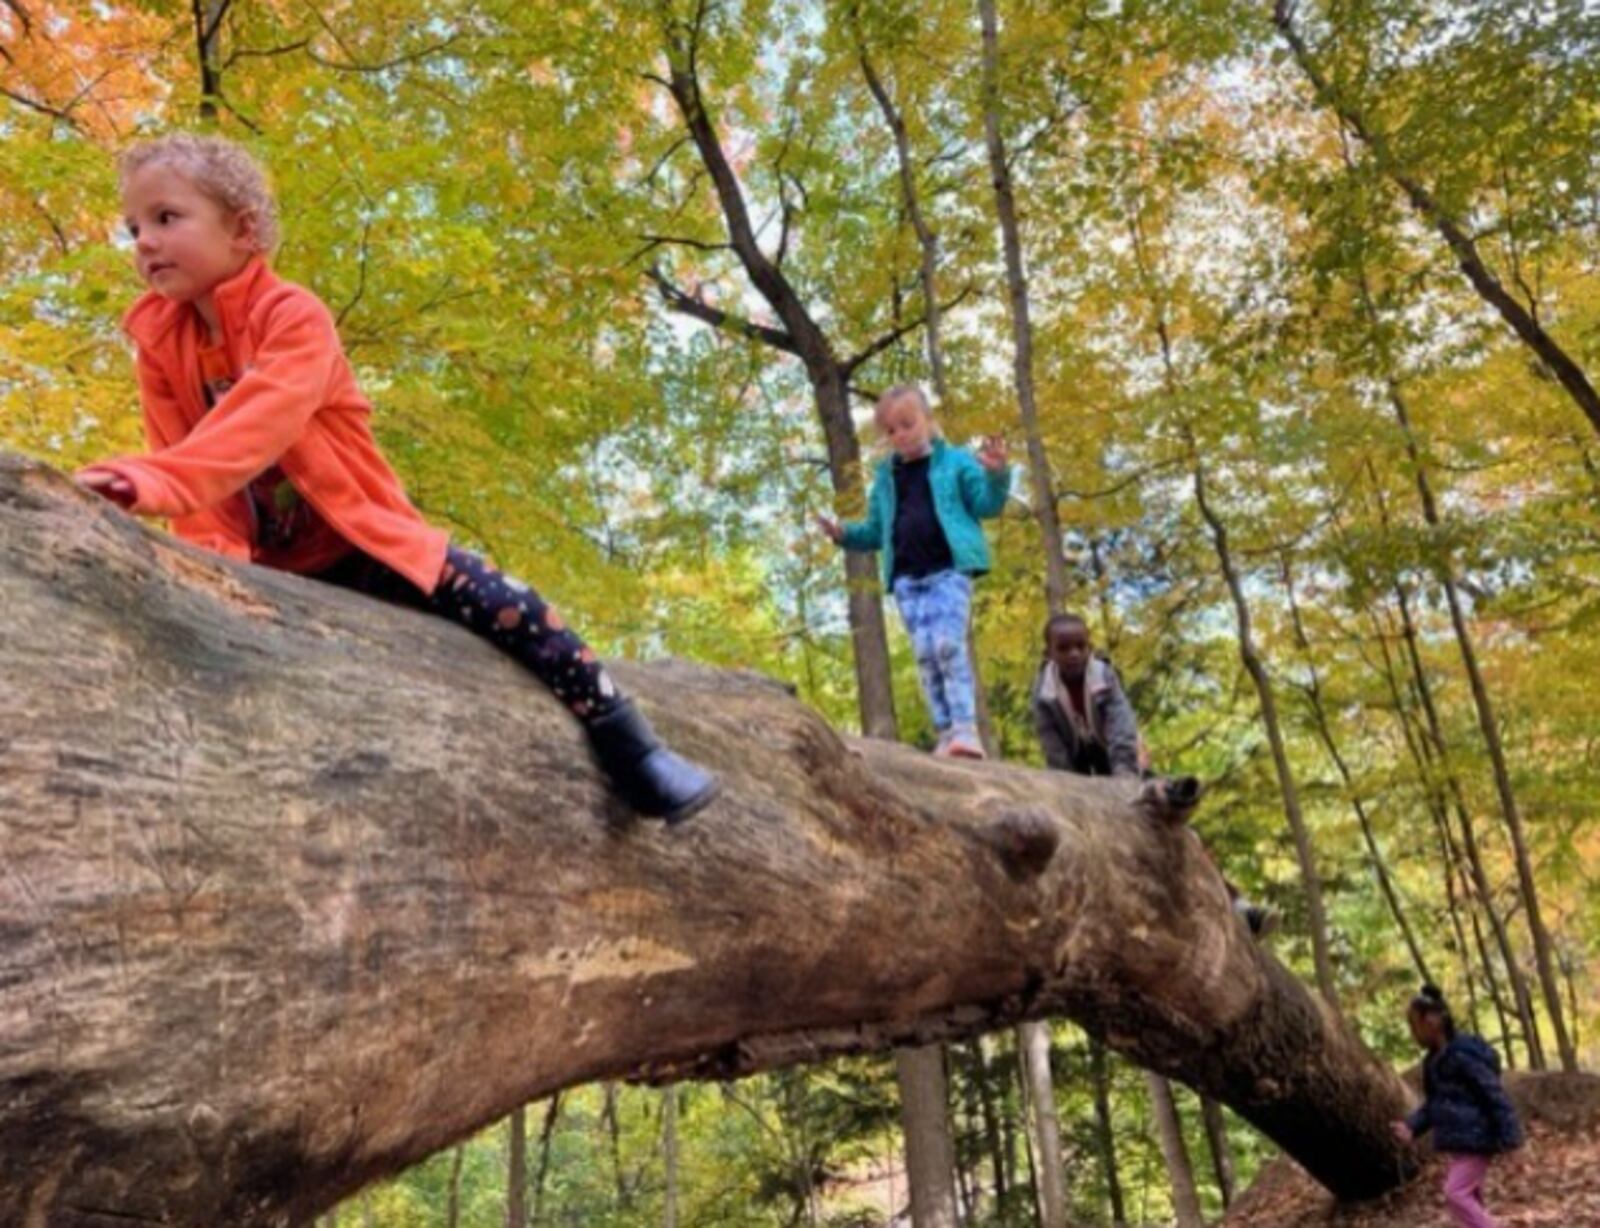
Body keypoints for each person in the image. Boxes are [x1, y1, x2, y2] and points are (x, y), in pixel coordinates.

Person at [76, 133, 717, 823]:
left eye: (167, 219)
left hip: (368, 543)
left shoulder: (293, 317)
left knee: (510, 607)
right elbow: (177, 453)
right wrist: (210, 568)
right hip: (276, 571)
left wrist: (156, 481)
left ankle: (633, 747)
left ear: (243, 228)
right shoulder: (159, 345)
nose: (144, 241)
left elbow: (256, 422)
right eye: (133, 228)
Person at [1033, 612, 1274, 936]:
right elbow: (1053, 747)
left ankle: (1238, 906)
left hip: (1123, 764)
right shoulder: (1044, 694)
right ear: (1049, 652)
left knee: (1176, 829)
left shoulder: (1104, 677)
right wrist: (1068, 788)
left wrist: (1125, 779)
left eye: (1081, 646)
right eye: (1064, 648)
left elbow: (1122, 729)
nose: (1074, 654)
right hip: (1079, 774)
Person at [819, 385, 1010, 758]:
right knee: (924, 654)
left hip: (949, 570)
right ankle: (945, 734)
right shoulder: (886, 479)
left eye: (907, 424)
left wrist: (998, 475)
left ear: (929, 420)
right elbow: (875, 530)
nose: (900, 435)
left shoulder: (955, 462)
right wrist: (843, 534)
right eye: (890, 431)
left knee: (947, 645)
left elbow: (987, 504)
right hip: (907, 579)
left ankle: (966, 730)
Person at [1393, 984, 1523, 1228]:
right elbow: (1434, 1103)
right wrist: (1412, 1127)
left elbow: (1492, 1091)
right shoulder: (1432, 1062)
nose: (1414, 1034)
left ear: (1432, 1021)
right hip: (1462, 1141)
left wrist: (1510, 1135)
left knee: (1456, 1193)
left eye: (1415, 1026)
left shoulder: (1463, 1054)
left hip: (1479, 1137)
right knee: (1471, 1196)